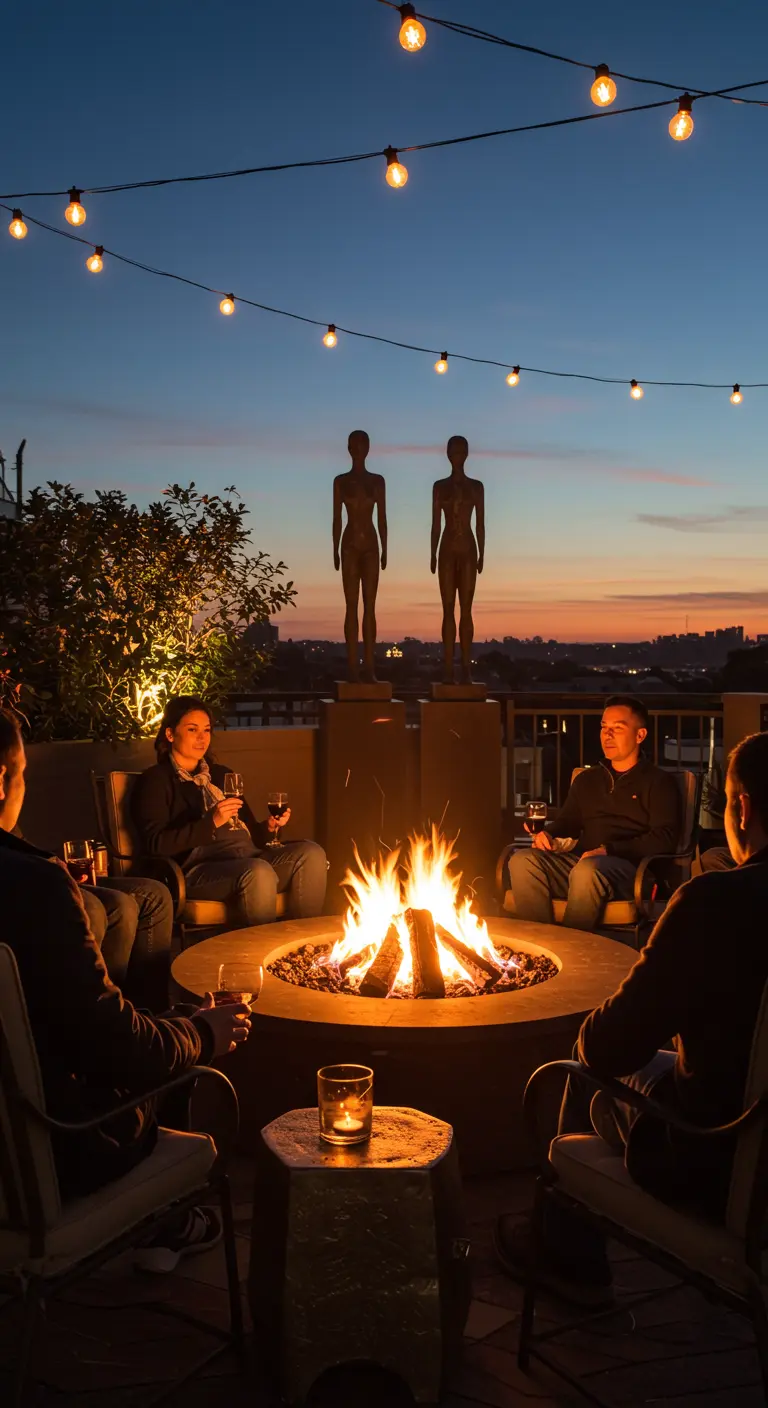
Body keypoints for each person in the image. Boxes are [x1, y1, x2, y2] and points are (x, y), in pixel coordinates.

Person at [496, 730, 768, 1307]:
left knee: (581, 1065)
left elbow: (607, 1048)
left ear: (742, 808)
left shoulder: (714, 903)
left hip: (720, 1157)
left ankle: (567, 1256)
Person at [0, 711, 251, 1269]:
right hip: (50, 1158)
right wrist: (197, 1033)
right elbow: (119, 1051)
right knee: (189, 1071)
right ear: (1, 781)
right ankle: (166, 1221)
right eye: (21, 775)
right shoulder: (34, 889)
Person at [132, 696, 327, 927]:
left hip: (247, 857)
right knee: (258, 871)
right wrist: (211, 822)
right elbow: (156, 843)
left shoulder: (221, 775)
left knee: (311, 853)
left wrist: (269, 827)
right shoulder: (156, 780)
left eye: (206, 730)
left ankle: (303, 947)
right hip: (198, 870)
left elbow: (251, 834)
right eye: (192, 729)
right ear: (170, 734)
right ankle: (256, 956)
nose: (202, 738)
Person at [507, 696, 681, 932]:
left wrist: (609, 850)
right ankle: (541, 942)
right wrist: (547, 833)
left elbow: (665, 838)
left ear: (640, 735)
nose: (607, 735)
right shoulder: (587, 780)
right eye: (604, 728)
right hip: (582, 865)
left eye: (617, 728)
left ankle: (572, 948)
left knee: (588, 869)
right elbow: (567, 822)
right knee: (522, 860)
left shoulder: (659, 782)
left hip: (632, 871)